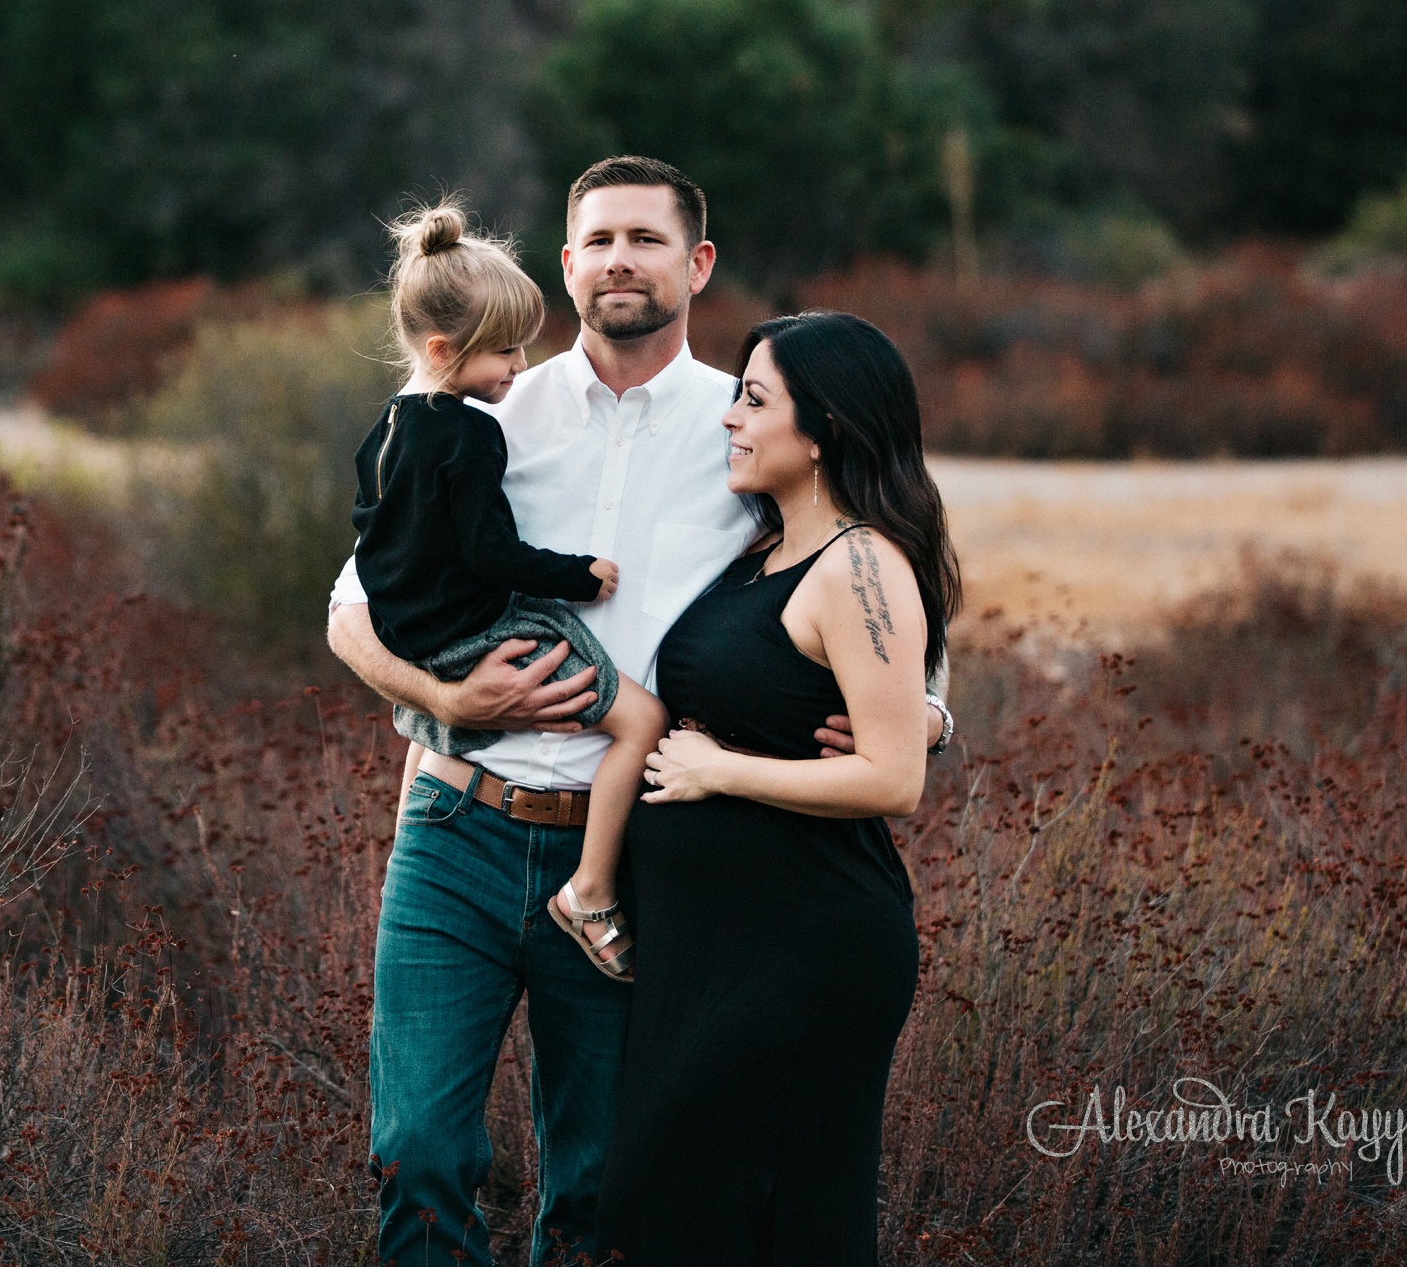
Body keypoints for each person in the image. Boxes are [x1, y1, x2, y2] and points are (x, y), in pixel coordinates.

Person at [326, 157, 955, 1265]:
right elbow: (350, 607)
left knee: (598, 1181)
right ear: (566, 267)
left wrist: (927, 716)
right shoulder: (484, 402)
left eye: (648, 238)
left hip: (641, 858)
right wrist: (440, 692)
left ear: (697, 263)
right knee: (417, 1150)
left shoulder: (751, 424)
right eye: (599, 239)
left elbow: (871, 568)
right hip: (456, 826)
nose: (621, 259)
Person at [595, 310, 962, 1266]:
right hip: (708, 949)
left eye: (754, 400)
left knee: (766, 1219)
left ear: (825, 426)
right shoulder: (757, 553)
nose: (731, 419)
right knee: (667, 1207)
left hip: (804, 949)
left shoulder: (861, 563)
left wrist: (720, 770)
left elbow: (894, 778)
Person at [350, 196, 668, 984]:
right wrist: (578, 576)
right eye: (504, 354)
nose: (518, 370)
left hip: (415, 633)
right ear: (441, 346)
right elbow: (493, 553)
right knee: (641, 718)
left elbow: (372, 530)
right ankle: (591, 892)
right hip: (475, 633)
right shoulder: (473, 431)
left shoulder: (386, 427)